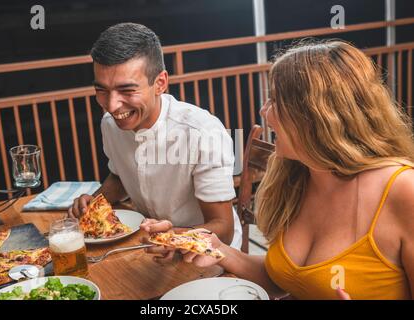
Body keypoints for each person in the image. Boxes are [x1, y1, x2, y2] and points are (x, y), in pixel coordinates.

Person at [145, 40, 414, 299]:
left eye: (275, 100)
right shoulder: (299, 176)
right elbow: (286, 281)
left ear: (316, 115)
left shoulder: (404, 190)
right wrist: (219, 249)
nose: (264, 111)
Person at [68, 23, 243, 260]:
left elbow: (224, 227)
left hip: (206, 254)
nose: (111, 105)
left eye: (127, 90)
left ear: (160, 83)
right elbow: (119, 175)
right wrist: (95, 202)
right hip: (145, 245)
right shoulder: (110, 123)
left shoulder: (202, 132)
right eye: (102, 90)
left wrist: (173, 237)